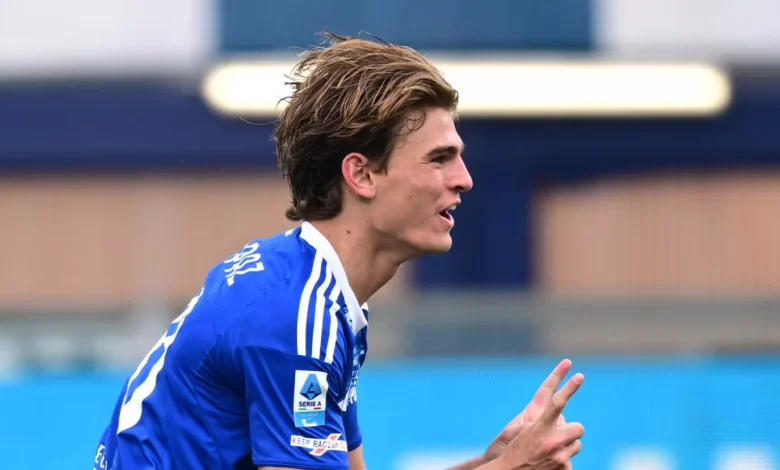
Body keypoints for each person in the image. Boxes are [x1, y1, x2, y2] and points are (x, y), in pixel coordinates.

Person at [93, 32, 585, 470]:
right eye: (439, 159)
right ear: (362, 175)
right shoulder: (297, 319)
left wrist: (491, 461)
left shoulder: (314, 294)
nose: (464, 179)